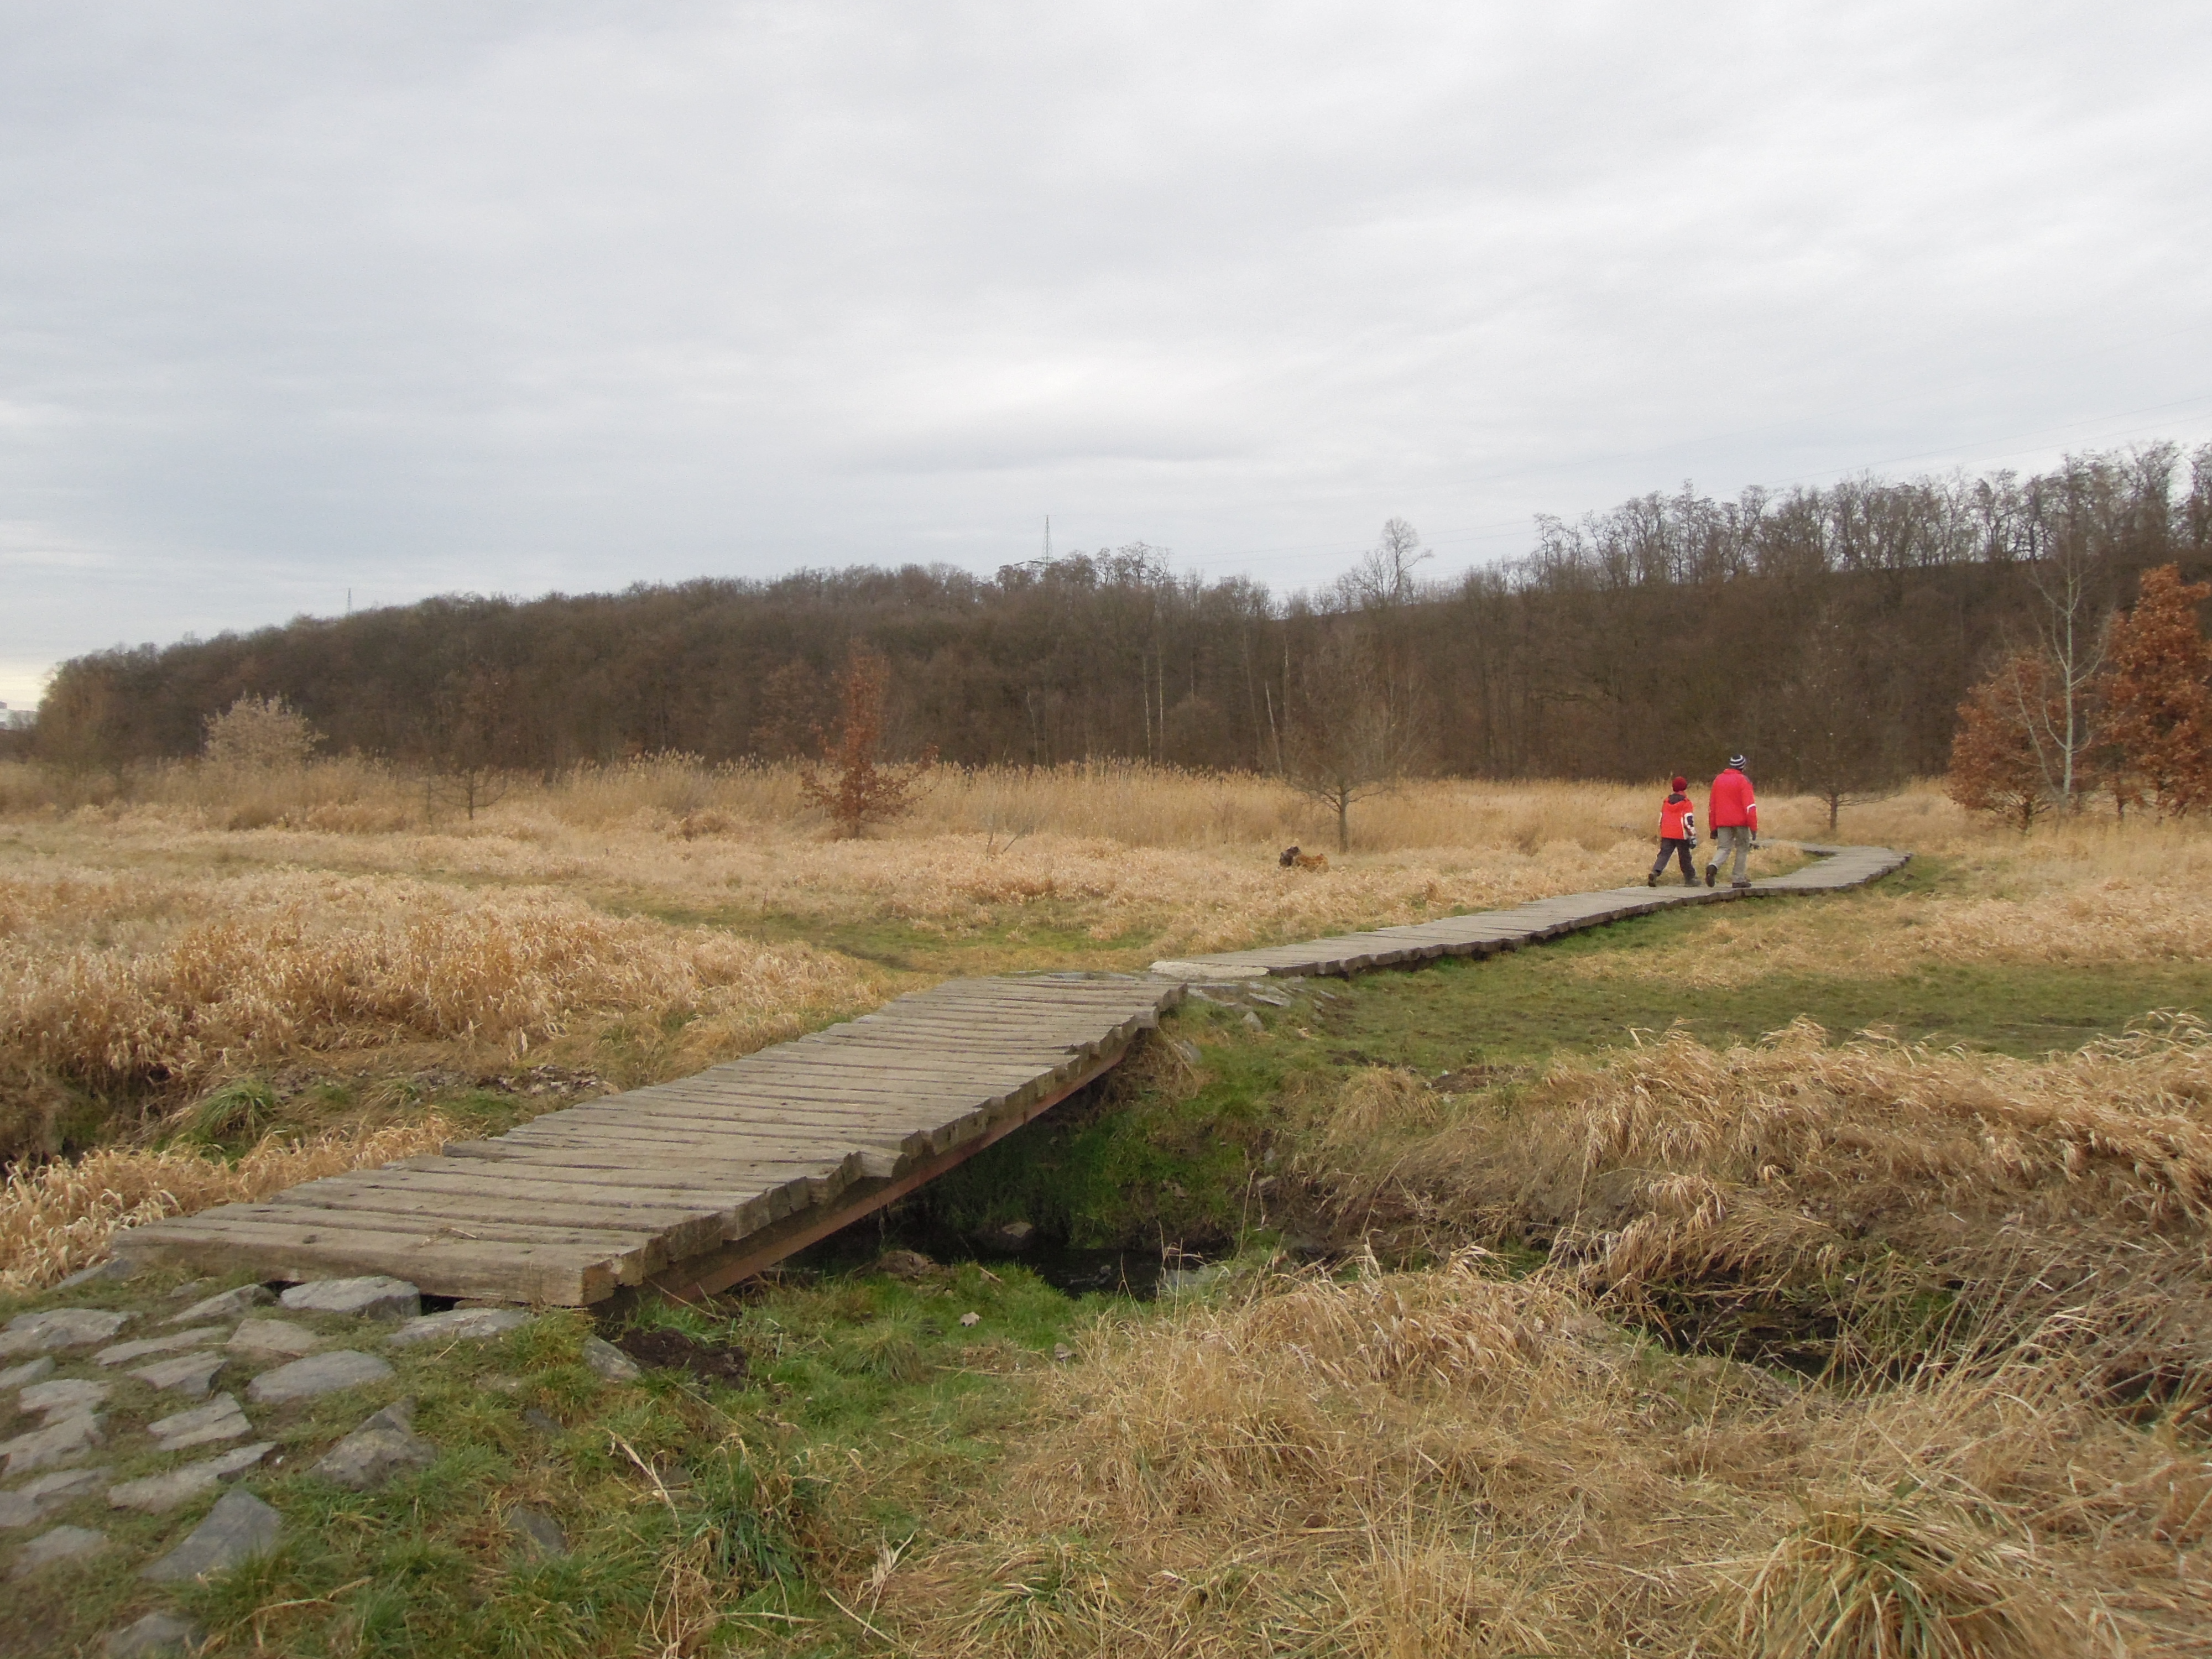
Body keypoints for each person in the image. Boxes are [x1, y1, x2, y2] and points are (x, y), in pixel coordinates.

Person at [1706, 754, 1758, 888]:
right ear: (1743, 766)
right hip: (1741, 822)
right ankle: (1738, 879)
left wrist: (1713, 827)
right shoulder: (1743, 781)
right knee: (1742, 848)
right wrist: (1753, 827)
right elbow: (1750, 806)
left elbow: (1713, 805)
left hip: (1722, 821)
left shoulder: (1719, 780)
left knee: (1723, 848)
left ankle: (1713, 865)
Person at [1648, 775, 1697, 886]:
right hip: (1681, 834)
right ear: (1685, 787)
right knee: (1685, 857)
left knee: (1664, 854)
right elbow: (1688, 821)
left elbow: (1661, 819)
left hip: (1667, 832)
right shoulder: (1686, 802)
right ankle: (1690, 879)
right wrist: (1692, 834)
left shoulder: (1666, 802)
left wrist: (1663, 830)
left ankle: (1655, 872)